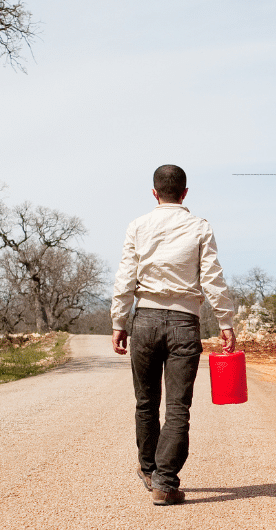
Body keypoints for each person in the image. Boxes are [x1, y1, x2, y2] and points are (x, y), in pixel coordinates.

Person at [111, 164, 236, 506]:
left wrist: (119, 322)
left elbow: (125, 278)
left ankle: (150, 470)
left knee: (146, 402)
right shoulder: (199, 227)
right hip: (184, 323)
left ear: (155, 193)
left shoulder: (137, 226)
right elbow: (212, 277)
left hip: (145, 321)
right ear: (184, 193)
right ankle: (165, 482)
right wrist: (225, 322)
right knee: (178, 407)